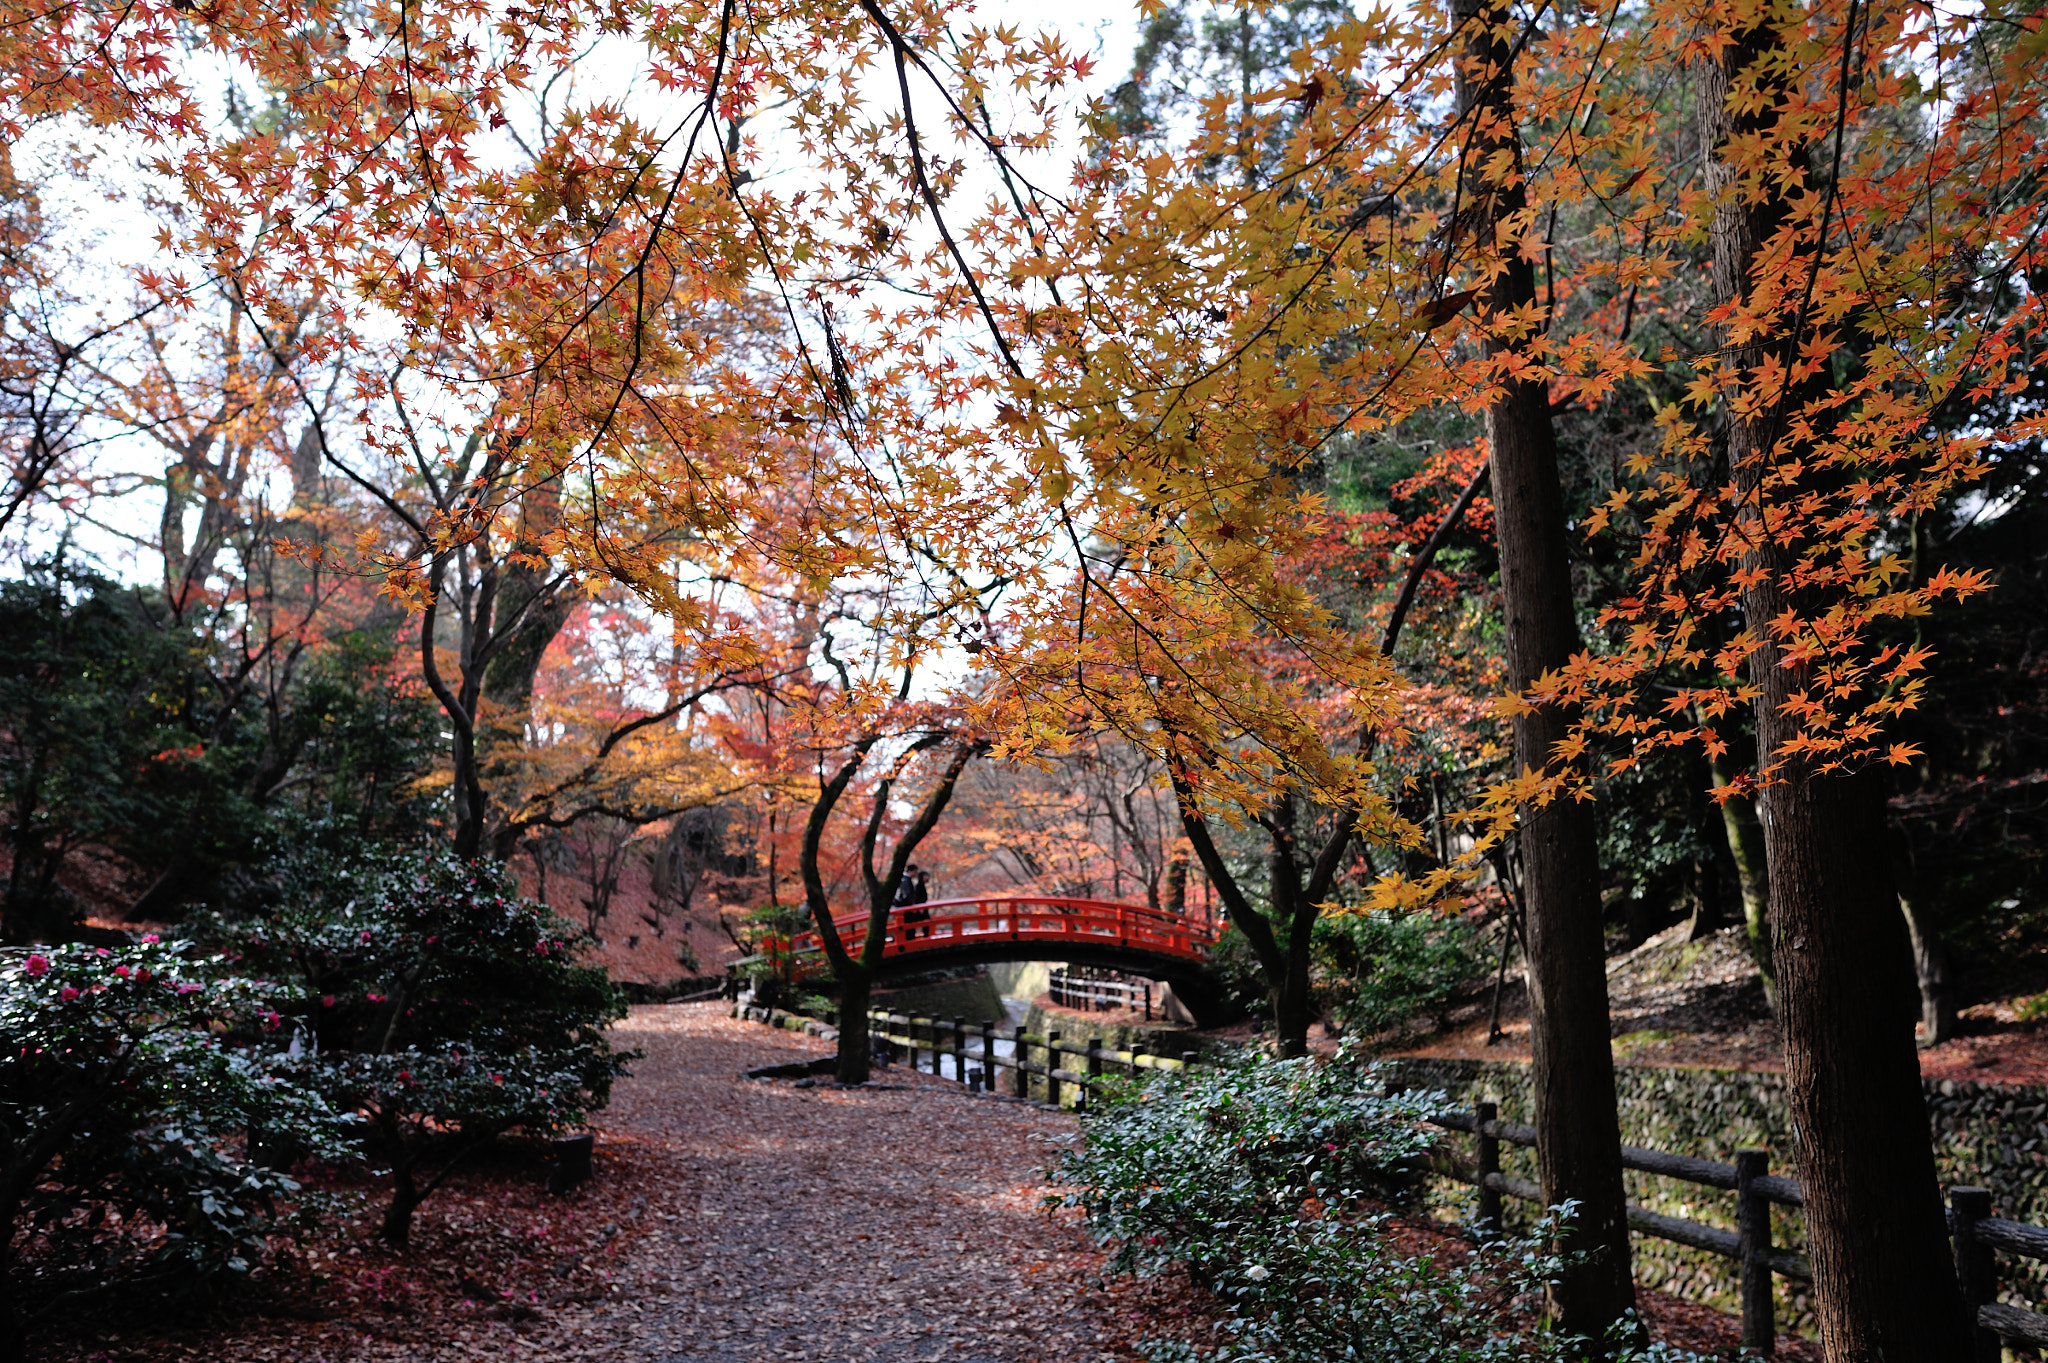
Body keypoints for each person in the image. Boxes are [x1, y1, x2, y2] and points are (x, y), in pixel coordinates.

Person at [895, 864, 931, 939]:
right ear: (910, 871)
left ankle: (908, 938)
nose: (915, 874)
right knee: (908, 924)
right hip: (906, 907)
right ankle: (908, 939)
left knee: (909, 924)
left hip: (906, 906)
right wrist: (912, 905)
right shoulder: (905, 880)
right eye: (915, 872)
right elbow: (907, 895)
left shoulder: (905, 880)